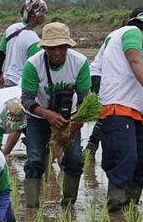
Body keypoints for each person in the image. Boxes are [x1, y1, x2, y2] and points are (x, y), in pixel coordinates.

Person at [94, 12, 143, 211]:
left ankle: (130, 206)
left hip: (134, 112)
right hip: (116, 107)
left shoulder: (122, 43)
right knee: (124, 159)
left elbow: (135, 83)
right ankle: (115, 209)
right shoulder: (133, 32)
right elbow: (135, 61)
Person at [19, 22, 91, 210]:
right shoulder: (33, 65)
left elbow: (85, 100)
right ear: (44, 48)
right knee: (35, 159)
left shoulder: (80, 63)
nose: (56, 52)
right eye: (51, 48)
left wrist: (75, 125)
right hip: (39, 116)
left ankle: (68, 207)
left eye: (61, 47)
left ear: (67, 46)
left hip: (70, 118)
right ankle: (32, 210)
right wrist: (47, 114)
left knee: (75, 160)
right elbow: (26, 99)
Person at [85, 7, 143, 158]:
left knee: (107, 111)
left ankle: (92, 146)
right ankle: (92, 145)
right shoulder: (130, 34)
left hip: (102, 75)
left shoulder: (124, 34)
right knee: (109, 110)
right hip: (100, 74)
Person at [0, 0, 47, 89]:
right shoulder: (33, 39)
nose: (44, 16)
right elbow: (36, 67)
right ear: (35, 15)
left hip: (7, 81)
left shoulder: (11, 29)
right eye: (43, 13)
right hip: (21, 84)